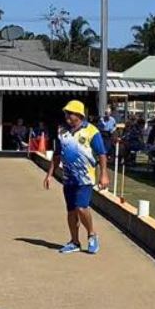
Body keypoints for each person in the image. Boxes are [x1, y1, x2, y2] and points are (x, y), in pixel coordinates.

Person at [43, 100, 108, 255]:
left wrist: (104, 174)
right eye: (66, 113)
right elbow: (57, 155)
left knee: (81, 207)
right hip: (68, 178)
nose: (67, 116)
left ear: (78, 115)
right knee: (71, 211)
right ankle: (74, 241)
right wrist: (49, 174)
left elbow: (102, 154)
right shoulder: (62, 132)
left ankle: (92, 235)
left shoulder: (92, 132)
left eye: (70, 113)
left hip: (84, 178)